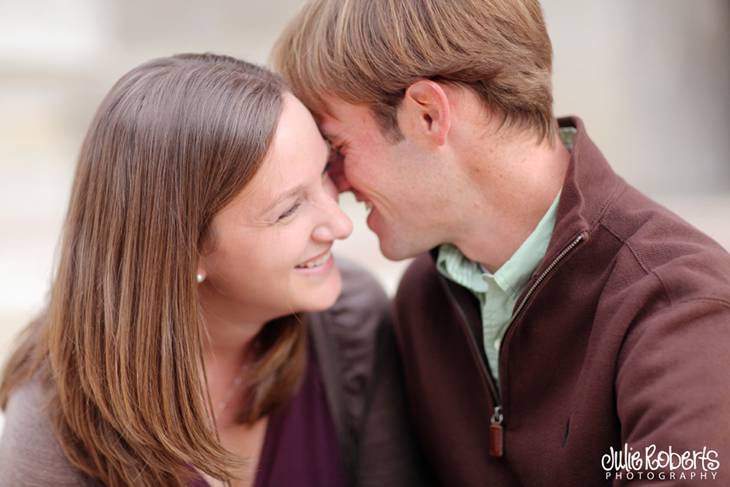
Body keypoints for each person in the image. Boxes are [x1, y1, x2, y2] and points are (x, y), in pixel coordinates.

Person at [272, 1, 730, 485]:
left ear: (427, 116)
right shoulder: (423, 299)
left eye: (337, 148)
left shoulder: (679, 302)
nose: (335, 183)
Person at [0, 53, 428, 487]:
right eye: (288, 210)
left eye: (324, 172)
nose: (340, 224)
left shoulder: (350, 323)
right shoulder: (55, 420)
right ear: (184, 252)